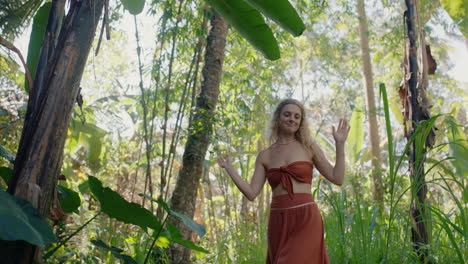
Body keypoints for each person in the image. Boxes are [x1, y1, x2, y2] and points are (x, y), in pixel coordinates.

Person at [217, 98, 350, 264]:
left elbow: (337, 178)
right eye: (287, 115)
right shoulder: (265, 155)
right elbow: (251, 193)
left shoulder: (309, 146)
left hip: (306, 218)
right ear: (278, 118)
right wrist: (230, 169)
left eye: (297, 116)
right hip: (278, 220)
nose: (292, 119)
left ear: (301, 122)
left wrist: (340, 144)